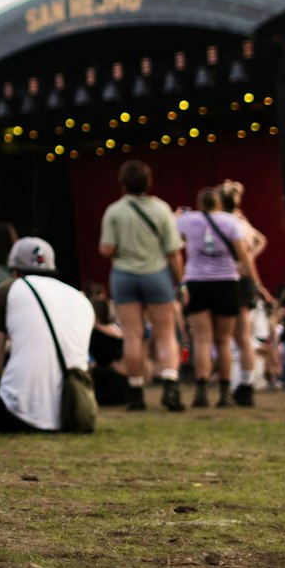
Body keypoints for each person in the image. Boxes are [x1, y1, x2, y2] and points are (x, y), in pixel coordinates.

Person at [0, 237, 96, 432]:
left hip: (17, 412)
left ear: (14, 270)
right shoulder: (80, 299)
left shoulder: (6, 291)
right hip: (72, 411)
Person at [98, 160, 184, 411]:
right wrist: (180, 281)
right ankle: (170, 384)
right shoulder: (162, 209)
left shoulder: (115, 211)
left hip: (124, 276)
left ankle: (135, 390)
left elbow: (106, 249)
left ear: (122, 184)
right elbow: (173, 252)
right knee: (165, 333)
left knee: (132, 334)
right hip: (156, 275)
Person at [175, 187, 261, 409]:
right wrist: (255, 283)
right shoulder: (231, 221)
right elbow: (243, 252)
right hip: (226, 281)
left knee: (201, 339)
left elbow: (174, 237)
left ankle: (201, 392)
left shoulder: (188, 220)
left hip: (197, 281)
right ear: (219, 204)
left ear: (199, 203)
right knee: (223, 340)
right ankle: (224, 393)